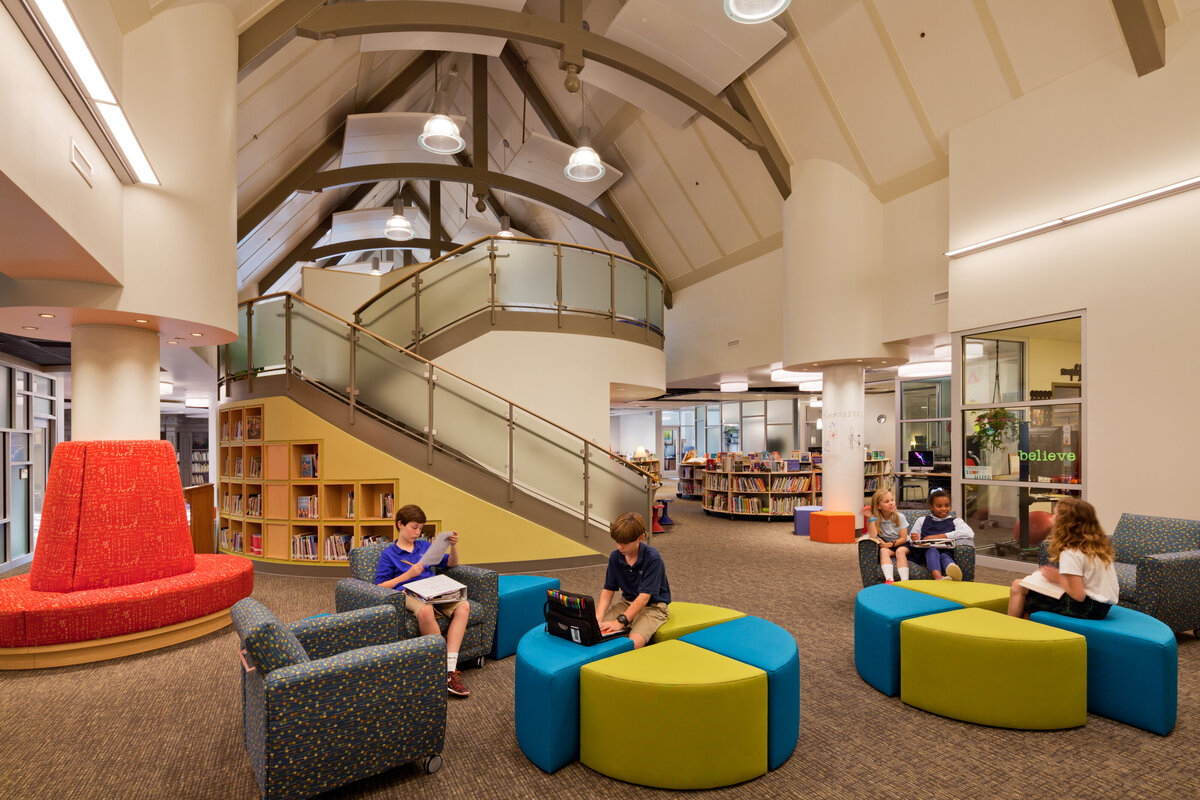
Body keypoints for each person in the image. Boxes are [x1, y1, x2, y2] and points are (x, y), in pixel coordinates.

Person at [375, 503, 472, 697]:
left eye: (421, 528)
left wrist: (453, 546)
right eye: (414, 527)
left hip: (433, 590)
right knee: (426, 611)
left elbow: (452, 563)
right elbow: (379, 587)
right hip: (408, 593)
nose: (418, 532)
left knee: (464, 606)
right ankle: (446, 669)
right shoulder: (389, 554)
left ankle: (449, 668)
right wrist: (408, 574)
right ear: (400, 524)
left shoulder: (424, 546)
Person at [1006, 497, 1119, 620]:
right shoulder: (1097, 546)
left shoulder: (1071, 552)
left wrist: (1058, 578)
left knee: (1019, 588)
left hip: (1087, 608)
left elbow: (1078, 595)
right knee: (1026, 590)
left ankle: (1011, 628)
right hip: (1103, 607)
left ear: (1064, 522)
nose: (1052, 517)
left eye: (1056, 514)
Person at [595, 511, 671, 649]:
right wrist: (598, 617)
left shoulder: (652, 558)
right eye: (617, 542)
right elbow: (608, 590)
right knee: (596, 632)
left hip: (654, 607)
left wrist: (621, 621)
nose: (620, 547)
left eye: (625, 543)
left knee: (633, 643)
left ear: (640, 538)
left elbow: (644, 597)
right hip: (627, 603)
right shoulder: (615, 557)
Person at [909, 489, 974, 580]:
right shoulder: (922, 520)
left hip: (945, 551)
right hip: (925, 553)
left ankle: (952, 569)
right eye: (939, 506)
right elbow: (912, 539)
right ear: (932, 507)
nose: (944, 509)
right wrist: (914, 538)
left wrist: (940, 536)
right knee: (932, 550)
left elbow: (969, 533)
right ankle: (938, 577)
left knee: (944, 556)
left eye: (947, 505)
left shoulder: (955, 521)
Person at [864, 489, 910, 584]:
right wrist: (870, 519)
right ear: (878, 506)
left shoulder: (900, 517)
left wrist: (888, 544)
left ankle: (905, 581)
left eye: (892, 500)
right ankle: (889, 580)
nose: (891, 503)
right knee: (883, 551)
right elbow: (873, 535)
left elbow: (903, 538)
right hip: (888, 546)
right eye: (886, 501)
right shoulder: (877, 519)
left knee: (900, 551)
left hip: (903, 545)